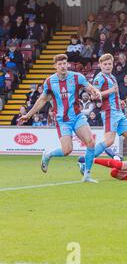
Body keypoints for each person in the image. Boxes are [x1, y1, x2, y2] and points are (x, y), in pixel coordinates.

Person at [17, 54, 101, 182]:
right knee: (67, 150)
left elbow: (90, 88)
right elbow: (42, 100)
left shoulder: (77, 77)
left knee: (91, 142)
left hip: (77, 117)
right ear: (55, 66)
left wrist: (96, 92)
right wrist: (28, 115)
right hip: (62, 120)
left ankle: (87, 175)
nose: (63, 66)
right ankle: (48, 155)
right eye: (60, 64)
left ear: (68, 64)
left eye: (64, 63)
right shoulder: (50, 82)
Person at [84, 53, 127, 162]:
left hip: (118, 112)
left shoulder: (112, 77)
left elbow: (114, 95)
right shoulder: (99, 78)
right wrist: (111, 90)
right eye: (105, 64)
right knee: (109, 141)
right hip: (109, 112)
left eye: (110, 64)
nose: (108, 66)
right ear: (100, 65)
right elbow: (93, 96)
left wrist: (120, 101)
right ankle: (84, 161)